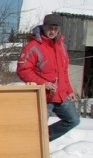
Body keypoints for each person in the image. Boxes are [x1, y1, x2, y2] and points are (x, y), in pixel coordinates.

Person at [17, 12, 80, 141]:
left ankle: (42, 141)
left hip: (60, 94)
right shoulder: (33, 46)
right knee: (38, 126)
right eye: (50, 28)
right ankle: (36, 147)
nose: (52, 31)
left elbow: (63, 71)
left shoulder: (61, 46)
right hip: (43, 96)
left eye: (55, 29)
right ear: (44, 26)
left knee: (73, 120)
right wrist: (43, 83)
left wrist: (69, 90)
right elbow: (23, 70)